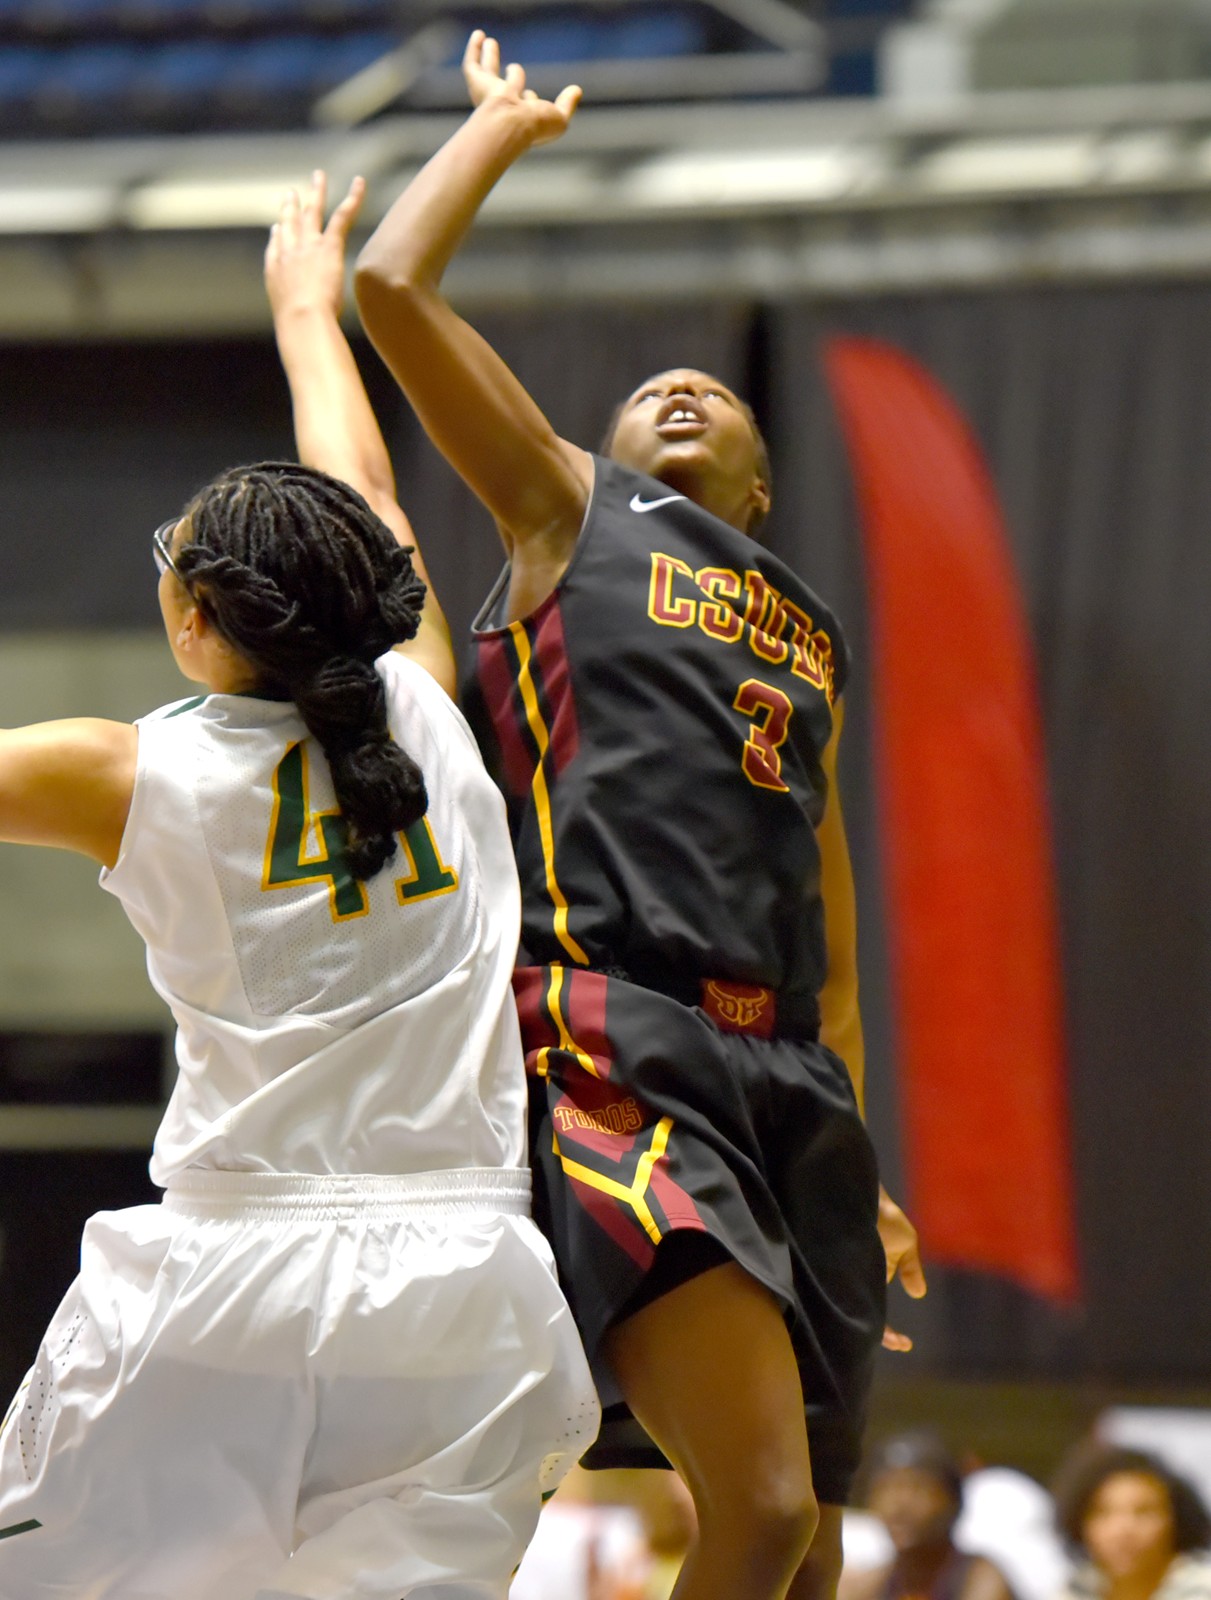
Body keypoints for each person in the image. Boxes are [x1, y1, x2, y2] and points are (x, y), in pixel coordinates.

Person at [352, 31, 925, 1600]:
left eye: (716, 394)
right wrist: (495, 135)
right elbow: (390, 291)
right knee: (760, 1514)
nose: (679, 385)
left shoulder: (809, 636)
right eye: (651, 387)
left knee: (802, 1545)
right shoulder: (565, 509)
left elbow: (827, 899)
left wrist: (858, 1145)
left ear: (755, 487)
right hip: (615, 1035)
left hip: (783, 1070)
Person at [0, 171, 597, 1600]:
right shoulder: (429, 702)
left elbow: (362, 501)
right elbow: (367, 488)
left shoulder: (124, 771)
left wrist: (298, 310)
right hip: (466, 1280)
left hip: (230, 1278)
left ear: (192, 618)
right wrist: (302, 318)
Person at [839, 1433, 1016, 1600]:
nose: (900, 1506)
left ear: (953, 1500)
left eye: (918, 1488)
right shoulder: (870, 1586)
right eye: (885, 1489)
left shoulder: (980, 1579)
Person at [1052, 1444, 1211, 1600]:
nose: (1123, 1530)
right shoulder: (1075, 1591)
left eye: (1144, 1512)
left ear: (1177, 1520)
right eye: (1103, 1512)